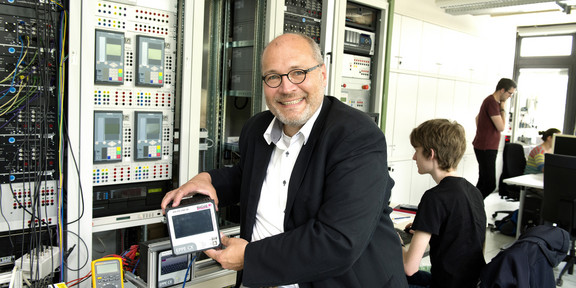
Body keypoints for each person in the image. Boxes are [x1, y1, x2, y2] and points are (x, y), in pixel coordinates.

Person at [161, 33, 408, 288]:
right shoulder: (257, 127)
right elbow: (246, 176)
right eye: (273, 77)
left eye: (298, 72)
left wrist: (249, 257)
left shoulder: (356, 137)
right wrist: (208, 180)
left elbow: (337, 241)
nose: (287, 87)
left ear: (322, 74)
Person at [401, 119, 486, 288]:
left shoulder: (434, 197)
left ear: (431, 154)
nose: (413, 157)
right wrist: (426, 228)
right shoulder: (473, 191)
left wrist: (397, 243)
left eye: (416, 150)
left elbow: (409, 268)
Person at [473, 78, 517, 198]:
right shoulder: (492, 102)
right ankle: (471, 206)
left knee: (483, 181)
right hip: (486, 148)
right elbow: (501, 127)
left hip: (485, 146)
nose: (510, 96)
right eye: (510, 93)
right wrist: (503, 108)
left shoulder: (490, 102)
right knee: (490, 184)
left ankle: (473, 206)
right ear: (502, 90)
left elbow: (478, 118)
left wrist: (484, 131)